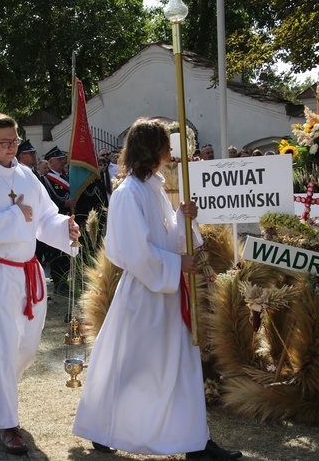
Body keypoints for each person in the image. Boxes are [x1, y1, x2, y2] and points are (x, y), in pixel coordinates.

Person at [72, 118, 241, 460]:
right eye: (166, 144)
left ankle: (194, 441)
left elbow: (166, 237)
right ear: (152, 149)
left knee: (179, 366)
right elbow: (132, 250)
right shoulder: (127, 194)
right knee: (133, 364)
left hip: (165, 294)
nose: (171, 151)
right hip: (144, 296)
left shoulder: (154, 188)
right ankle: (105, 427)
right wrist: (177, 264)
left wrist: (183, 218)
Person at [0, 113, 80, 455]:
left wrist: (64, 229)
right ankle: (7, 423)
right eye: (5, 142)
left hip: (28, 269)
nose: (13, 147)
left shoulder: (26, 175)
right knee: (0, 345)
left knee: (26, 344)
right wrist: (16, 216)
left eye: (15, 141)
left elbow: (44, 217)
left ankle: (2, 390)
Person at [39, 147, 74, 299]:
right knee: (57, 254)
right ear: (51, 162)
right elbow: (48, 202)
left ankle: (65, 281)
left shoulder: (65, 176)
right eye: (59, 159)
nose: (63, 161)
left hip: (67, 219)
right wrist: (63, 204)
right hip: (56, 220)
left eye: (62, 159)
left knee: (66, 253)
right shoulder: (46, 179)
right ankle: (59, 282)